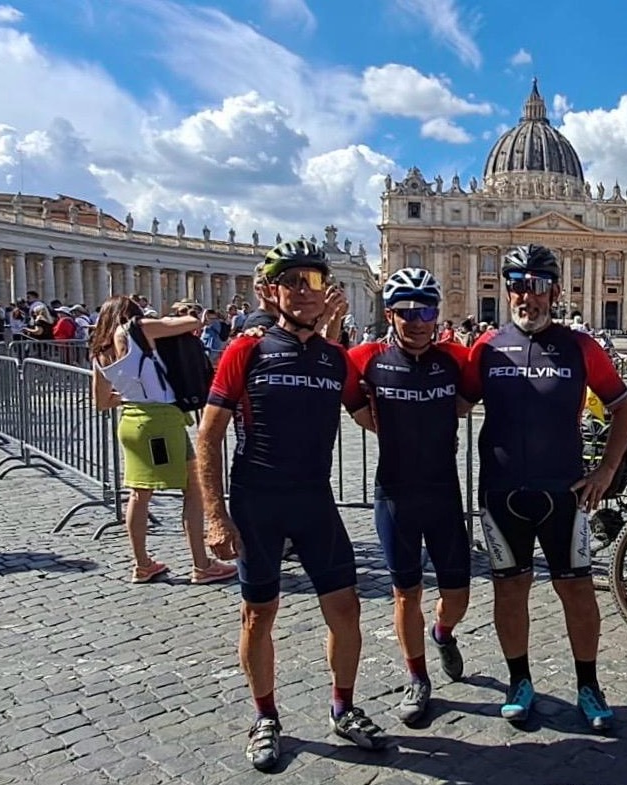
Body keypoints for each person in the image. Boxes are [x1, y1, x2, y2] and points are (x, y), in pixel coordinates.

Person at [197, 238, 389, 772]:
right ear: (269, 290)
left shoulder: (335, 359)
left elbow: (368, 415)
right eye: (292, 282)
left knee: (346, 608)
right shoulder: (247, 351)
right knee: (259, 614)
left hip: (315, 500)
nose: (304, 293)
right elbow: (208, 436)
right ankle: (265, 716)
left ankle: (343, 707)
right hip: (258, 500)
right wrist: (216, 513)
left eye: (313, 281)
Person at [459, 244, 627, 733]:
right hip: (501, 494)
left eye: (537, 286)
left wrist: (605, 473)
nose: (526, 296)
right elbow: (451, 402)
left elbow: (624, 406)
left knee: (577, 592)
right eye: (517, 284)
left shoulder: (581, 347)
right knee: (510, 590)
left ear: (554, 291)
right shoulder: (487, 347)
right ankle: (520, 681)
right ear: (507, 289)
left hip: (566, 493)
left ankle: (588, 685)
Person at [345, 268, 470, 726]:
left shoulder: (455, 359)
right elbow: (356, 408)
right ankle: (417, 676)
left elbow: (466, 401)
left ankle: (442, 632)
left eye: (427, 311)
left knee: (457, 594)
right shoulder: (365, 359)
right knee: (406, 593)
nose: (418, 321)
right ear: (390, 314)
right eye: (407, 312)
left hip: (443, 492)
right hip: (394, 491)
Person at [90, 295, 237, 586]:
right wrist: (181, 314)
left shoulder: (98, 351)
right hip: (160, 424)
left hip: (131, 421)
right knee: (193, 491)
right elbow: (192, 322)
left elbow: (102, 402)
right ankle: (201, 564)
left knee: (138, 495)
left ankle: (142, 563)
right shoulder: (135, 329)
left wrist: (133, 394)